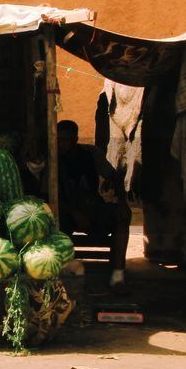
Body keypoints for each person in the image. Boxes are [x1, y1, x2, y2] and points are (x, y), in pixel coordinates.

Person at [56, 119, 131, 291]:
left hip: (93, 207)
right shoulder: (53, 158)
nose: (61, 144)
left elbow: (114, 176)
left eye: (65, 140)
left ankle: (117, 276)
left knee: (122, 217)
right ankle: (61, 275)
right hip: (66, 212)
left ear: (75, 139)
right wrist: (75, 213)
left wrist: (122, 203)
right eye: (58, 139)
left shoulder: (90, 154)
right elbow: (49, 195)